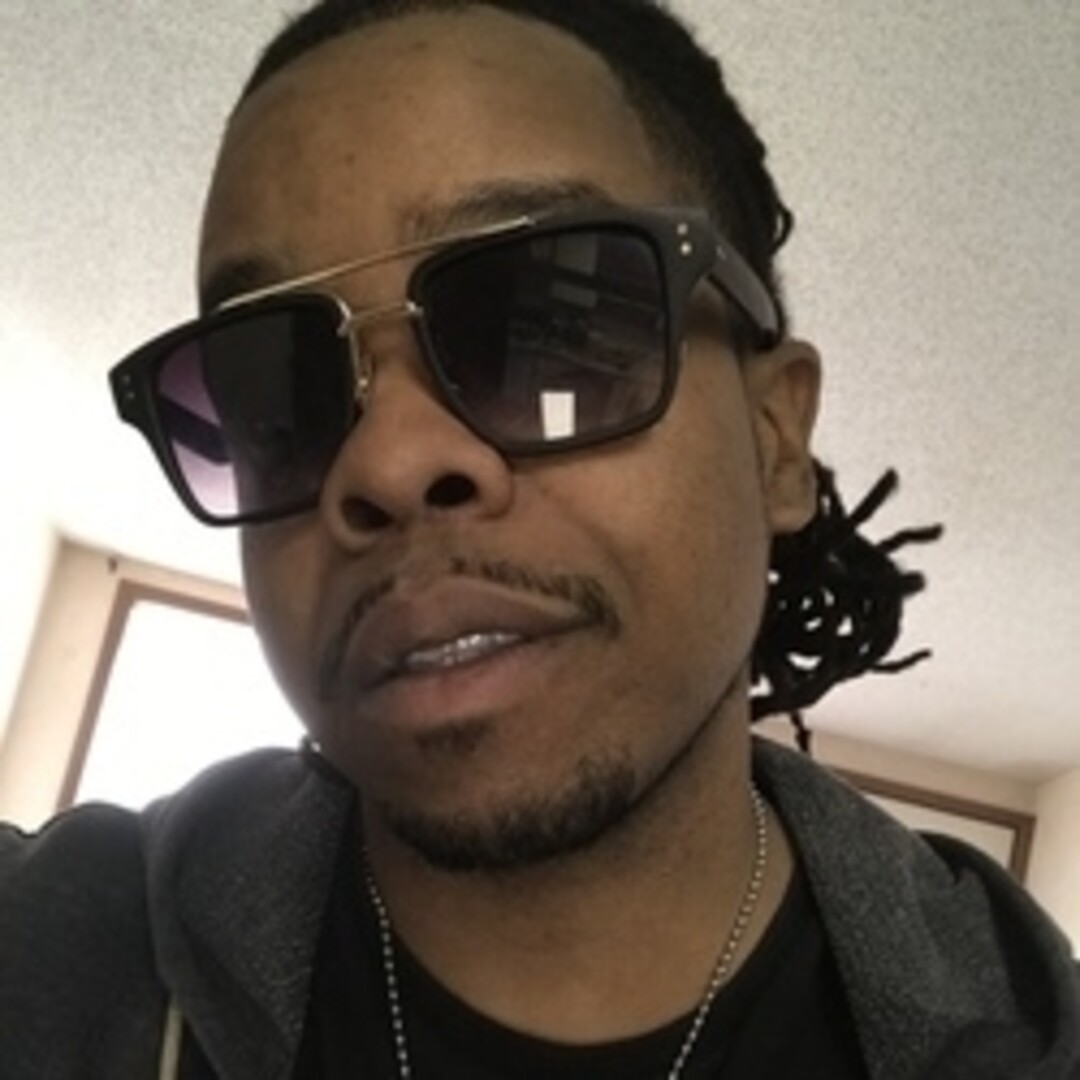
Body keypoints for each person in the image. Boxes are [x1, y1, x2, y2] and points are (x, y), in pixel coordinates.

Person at [2, 1, 1077, 1077]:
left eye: (551, 333)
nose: (385, 463)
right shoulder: (53, 947)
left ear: (774, 441)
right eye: (273, 392)